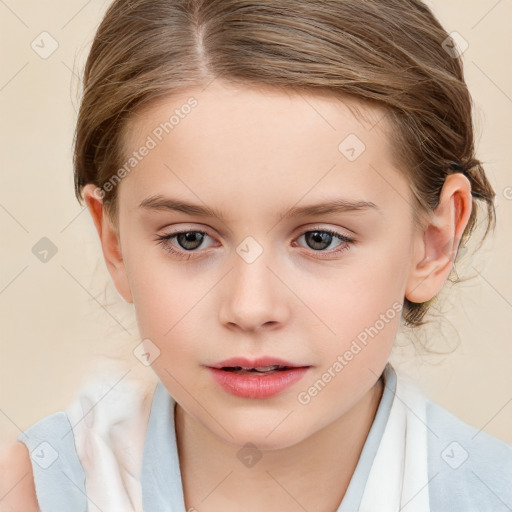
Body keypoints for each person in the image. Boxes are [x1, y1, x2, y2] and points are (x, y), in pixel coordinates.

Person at [1, 0, 511, 511]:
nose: (250, 308)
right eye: (189, 239)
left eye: (320, 239)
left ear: (433, 241)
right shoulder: (32, 494)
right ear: (114, 241)